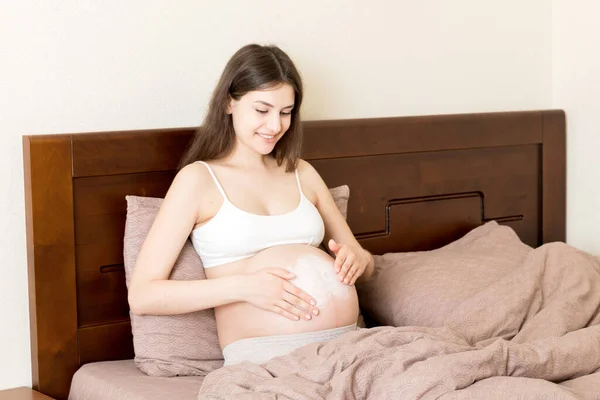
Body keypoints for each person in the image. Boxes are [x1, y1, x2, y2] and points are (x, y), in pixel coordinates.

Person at [128, 44, 375, 366]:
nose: (275, 125)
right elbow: (143, 295)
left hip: (350, 346)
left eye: (286, 112)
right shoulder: (199, 180)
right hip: (268, 357)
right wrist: (246, 287)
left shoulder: (301, 172)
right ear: (229, 102)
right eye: (262, 110)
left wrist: (356, 260)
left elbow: (367, 267)